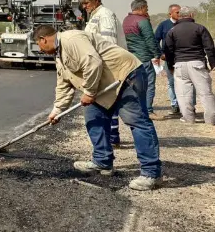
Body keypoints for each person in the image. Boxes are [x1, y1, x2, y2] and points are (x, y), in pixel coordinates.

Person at [34, 25, 162, 191]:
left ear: (43, 39)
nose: (40, 49)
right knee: (94, 117)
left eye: (38, 45)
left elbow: (93, 63)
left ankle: (151, 173)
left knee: (137, 121)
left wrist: (89, 92)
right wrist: (57, 110)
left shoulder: (71, 39)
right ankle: (102, 161)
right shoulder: (59, 55)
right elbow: (64, 83)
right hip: (103, 84)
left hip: (125, 76)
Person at [79, 0, 126, 146]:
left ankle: (112, 137)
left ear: (96, 0)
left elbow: (109, 44)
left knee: (108, 100)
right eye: (82, 4)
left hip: (109, 65)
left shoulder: (105, 15)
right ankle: (110, 136)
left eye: (86, 3)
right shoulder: (95, 15)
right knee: (105, 100)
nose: (84, 6)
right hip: (103, 64)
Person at [163, 6, 215, 125]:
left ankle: (189, 118)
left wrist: (170, 66)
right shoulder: (199, 28)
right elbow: (209, 47)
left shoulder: (172, 31)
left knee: (183, 94)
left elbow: (168, 51)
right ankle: (211, 120)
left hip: (179, 65)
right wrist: (212, 63)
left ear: (180, 16)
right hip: (197, 64)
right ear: (191, 15)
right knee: (205, 93)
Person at [123, 0, 162, 119]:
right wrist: (157, 54)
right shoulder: (142, 21)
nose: (147, 10)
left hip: (131, 58)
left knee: (135, 85)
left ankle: (137, 110)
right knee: (149, 84)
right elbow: (150, 39)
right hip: (144, 57)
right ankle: (148, 111)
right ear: (141, 8)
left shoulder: (126, 20)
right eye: (146, 8)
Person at [155, 4, 191, 117]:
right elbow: (155, 40)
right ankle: (175, 105)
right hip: (169, 58)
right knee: (171, 82)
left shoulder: (185, 24)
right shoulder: (164, 25)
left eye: (180, 12)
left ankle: (190, 106)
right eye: (177, 12)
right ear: (170, 13)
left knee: (188, 82)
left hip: (183, 57)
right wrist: (160, 54)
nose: (179, 14)